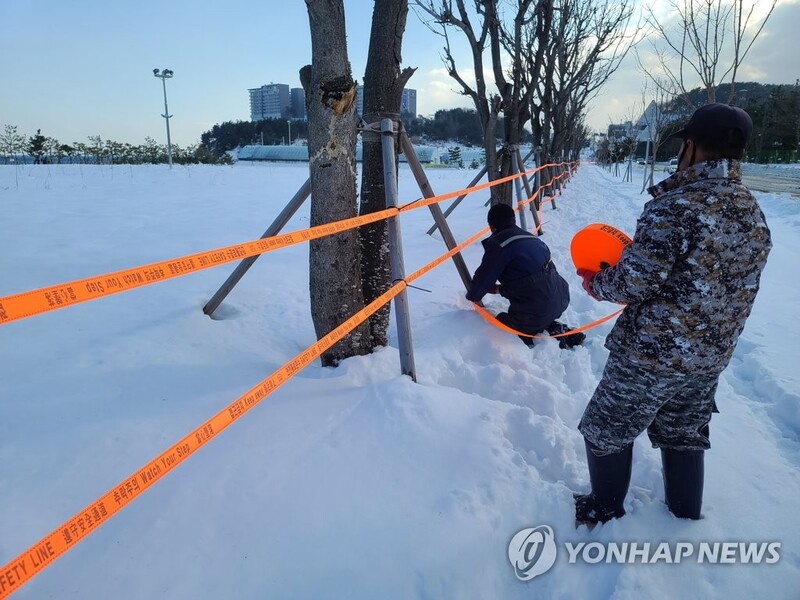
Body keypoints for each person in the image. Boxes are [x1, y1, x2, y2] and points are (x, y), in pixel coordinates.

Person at [574, 103, 772, 525]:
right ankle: (685, 516)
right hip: (710, 355)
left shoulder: (676, 207)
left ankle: (604, 509)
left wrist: (596, 282)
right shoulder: (751, 209)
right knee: (684, 434)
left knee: (606, 430)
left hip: (651, 354)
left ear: (690, 146)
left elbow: (635, 282)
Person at [466, 203, 585, 349]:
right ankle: (553, 328)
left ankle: (544, 336)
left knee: (499, 323)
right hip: (560, 299)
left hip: (537, 307)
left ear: (491, 226)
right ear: (514, 221)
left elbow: (482, 281)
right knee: (537, 314)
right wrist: (499, 290)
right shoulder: (532, 238)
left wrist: (473, 295)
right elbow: (531, 280)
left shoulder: (499, 244)